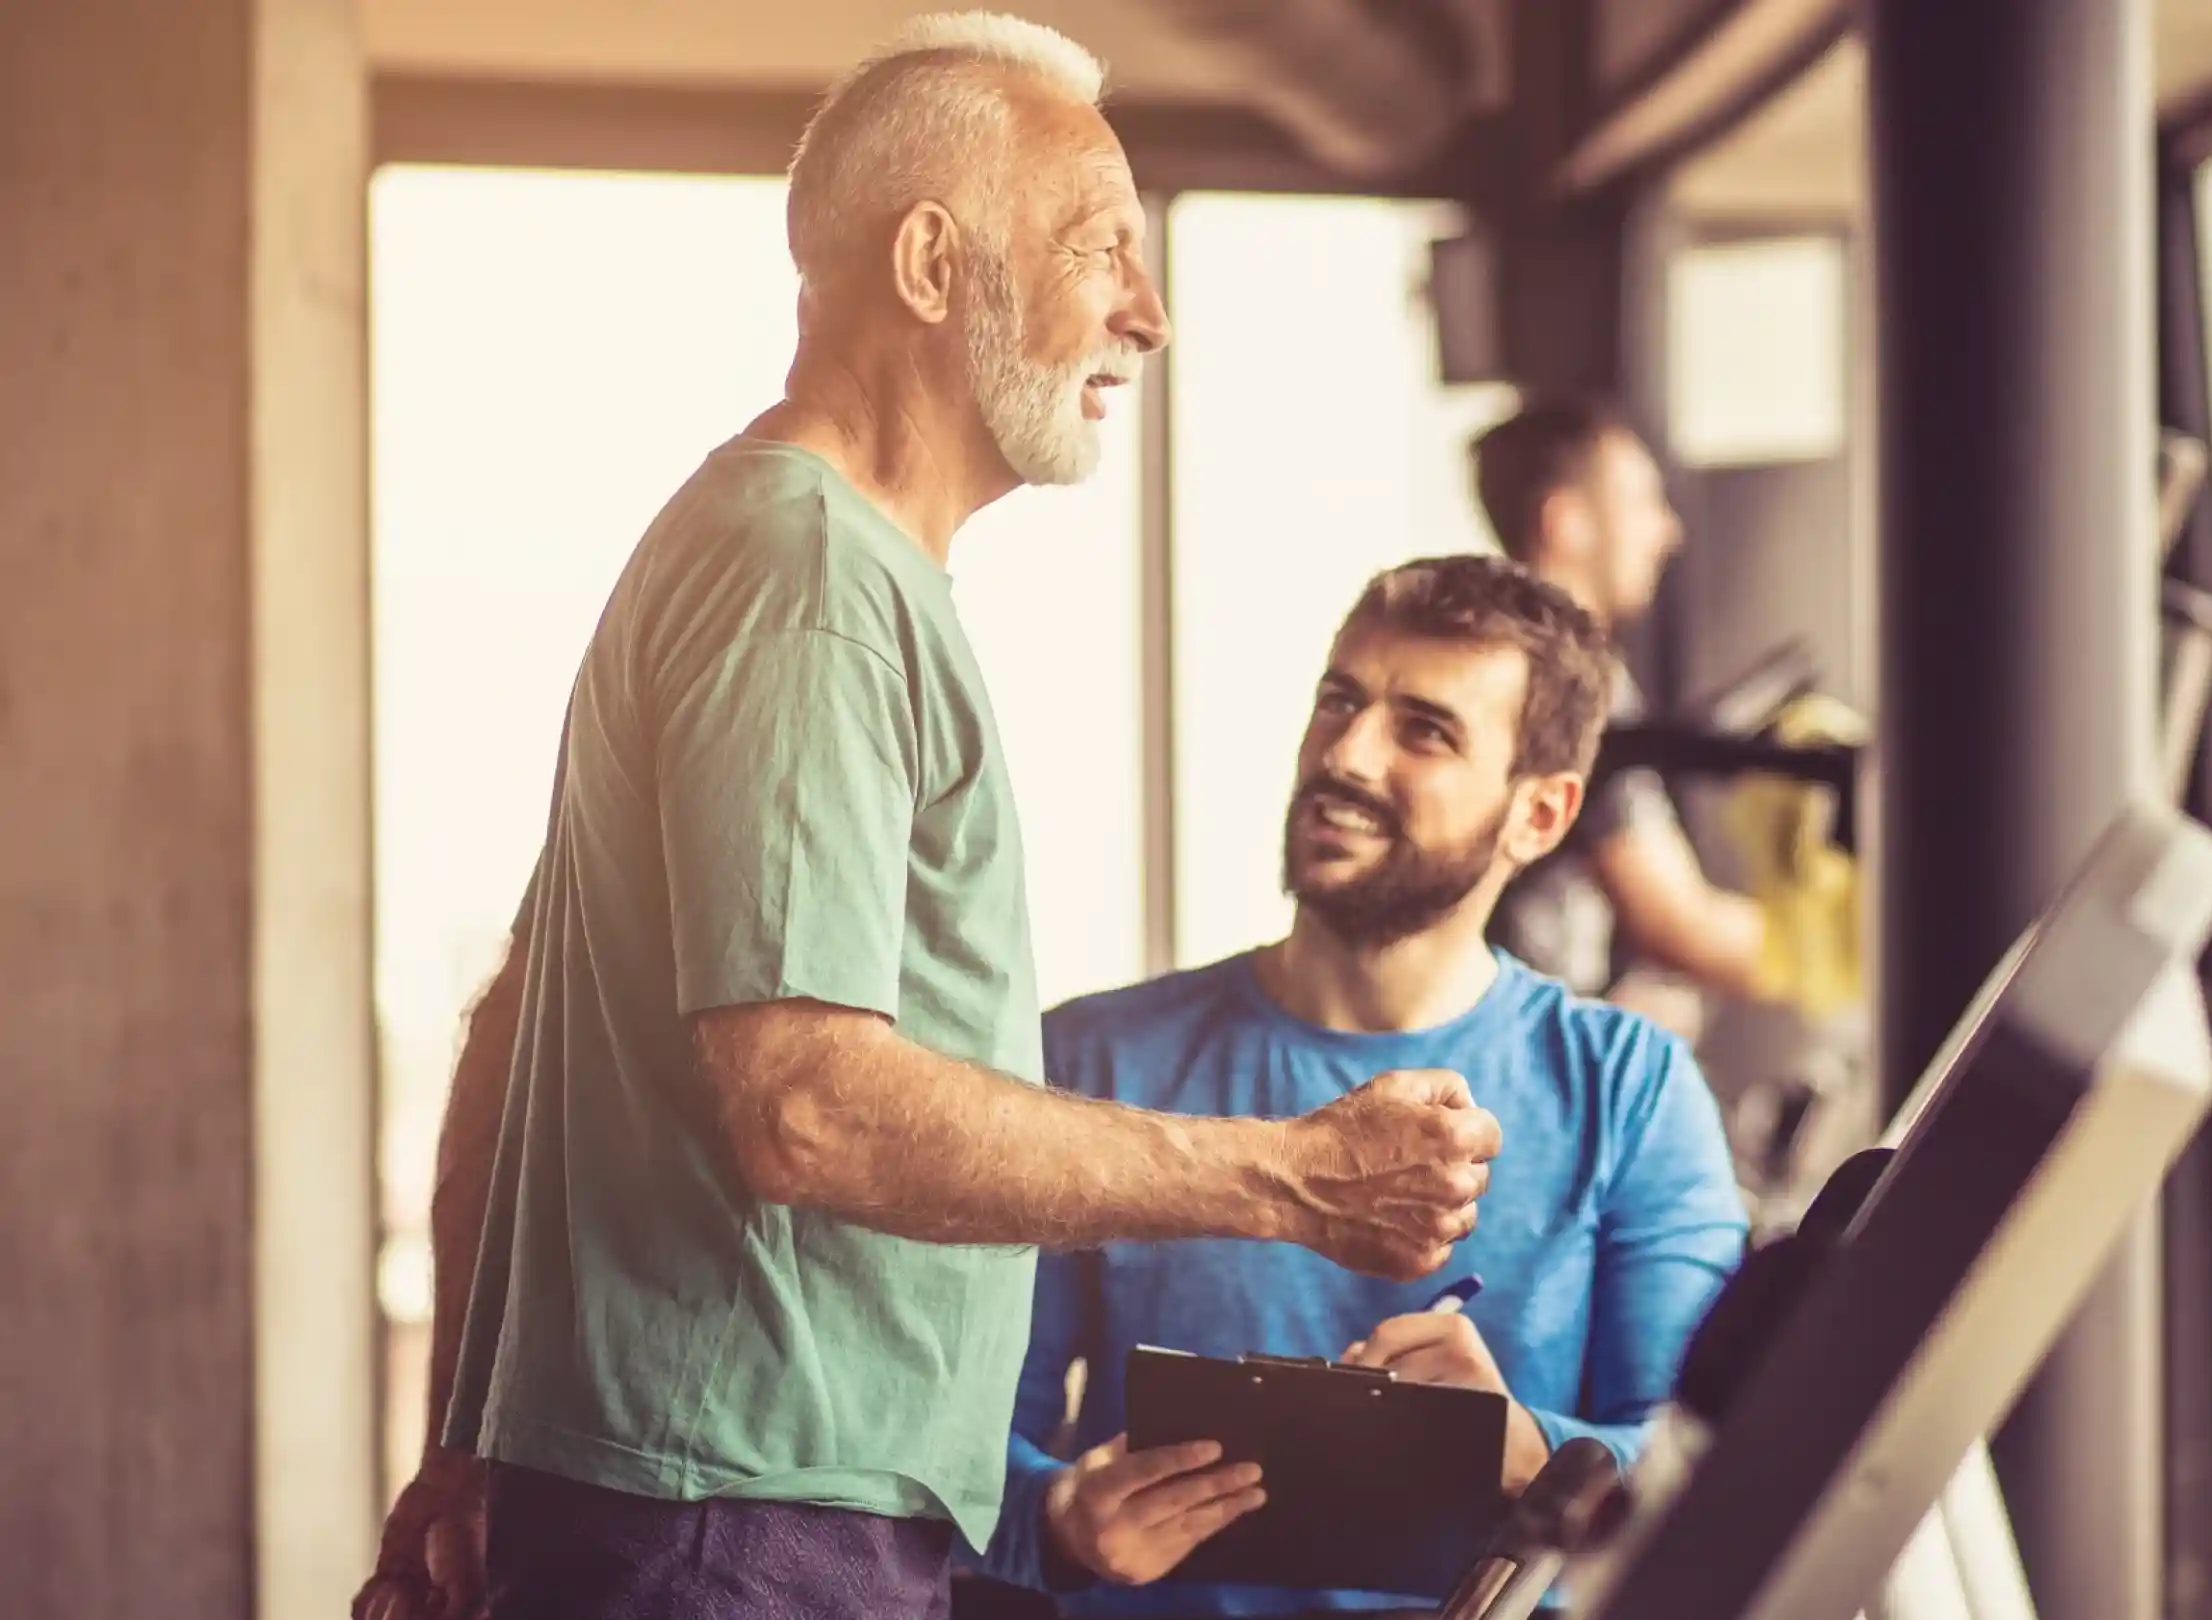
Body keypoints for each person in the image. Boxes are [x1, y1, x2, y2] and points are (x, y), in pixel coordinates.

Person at [352, 16, 1498, 1620]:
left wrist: (467, 1447)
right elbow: (806, 1109)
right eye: (1104, 247)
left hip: (702, 1518)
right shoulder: (811, 577)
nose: (1148, 315)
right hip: (741, 1533)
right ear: (933, 262)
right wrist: (1291, 1180)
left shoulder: (771, 551)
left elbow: (514, 1028)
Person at [968, 556, 1751, 1618]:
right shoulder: (1089, 1060)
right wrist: (1060, 1517)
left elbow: (1703, 1482)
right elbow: (947, 1445)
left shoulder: (1631, 1090)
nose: (1344, 751)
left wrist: (1518, 1447)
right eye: (1340, 700)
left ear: (1542, 815)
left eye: (1424, 728)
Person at [1467, 401, 1771, 1028]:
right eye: (1642, 504)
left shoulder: (1509, 654)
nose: (1668, 532)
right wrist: (1857, 945)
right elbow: (1678, 923)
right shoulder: (1572, 679)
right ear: (1568, 523)